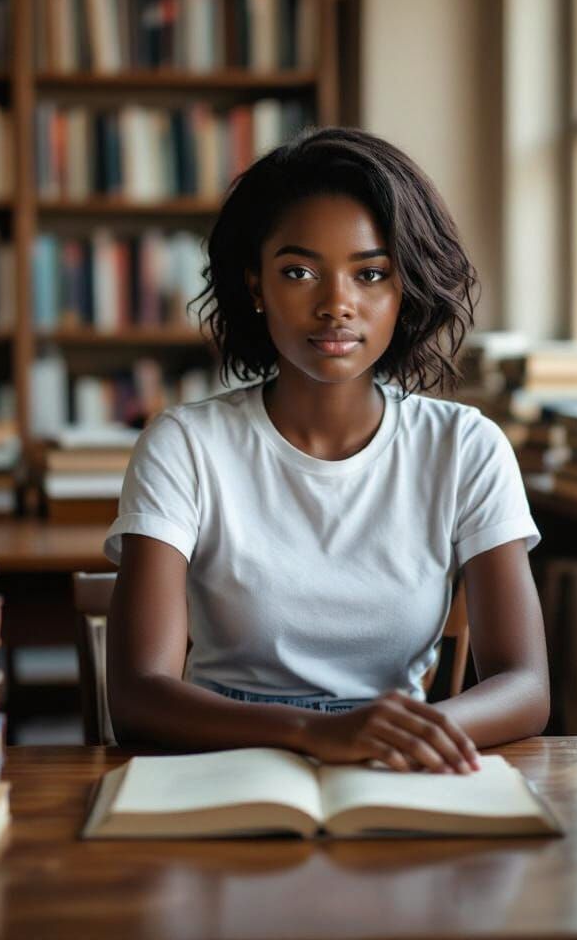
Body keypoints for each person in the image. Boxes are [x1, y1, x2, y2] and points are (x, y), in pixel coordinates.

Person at [104, 127, 549, 775]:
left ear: (406, 288)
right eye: (298, 272)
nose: (336, 305)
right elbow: (137, 696)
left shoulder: (466, 447)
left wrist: (396, 736)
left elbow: (526, 686)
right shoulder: (185, 445)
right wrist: (317, 734)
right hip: (223, 764)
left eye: (371, 274)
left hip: (398, 769)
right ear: (255, 285)